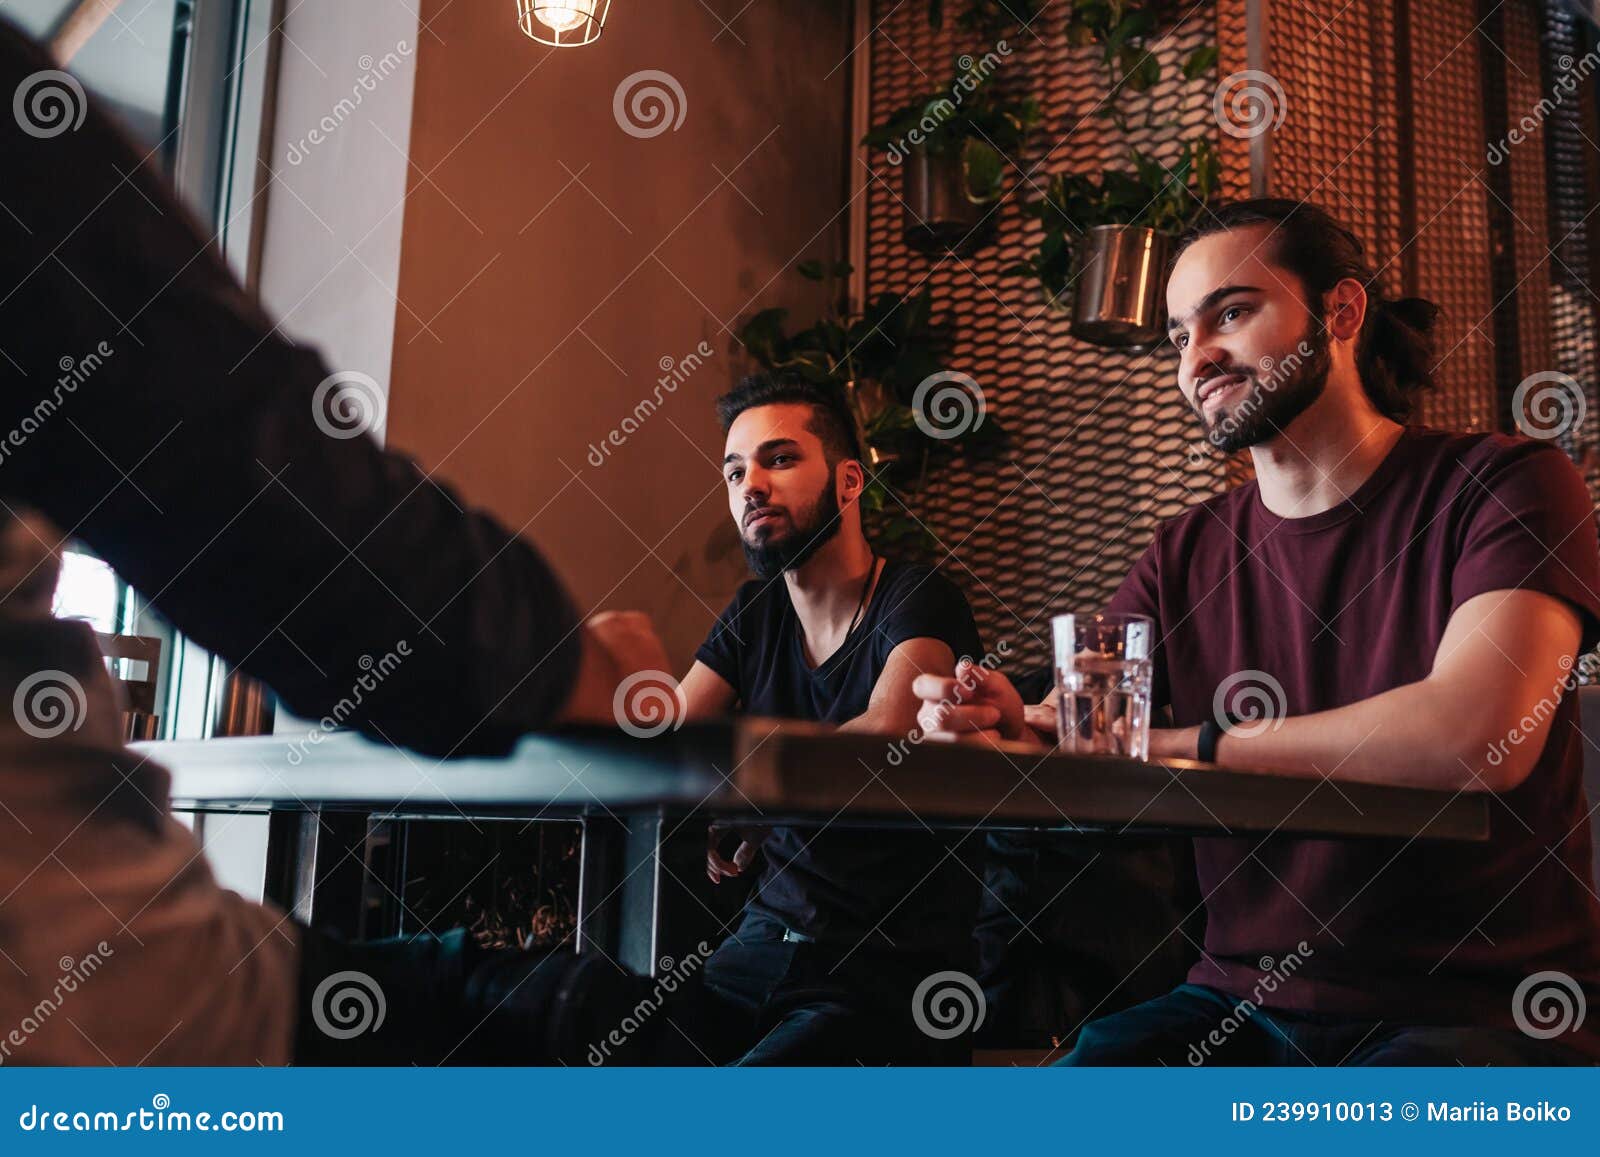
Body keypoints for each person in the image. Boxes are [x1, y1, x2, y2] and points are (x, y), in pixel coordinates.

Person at [0, 16, 667, 1064]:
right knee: (585, 1022)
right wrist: (561, 661)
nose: (750, 489)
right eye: (736, 465)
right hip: (84, 1000)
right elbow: (236, 471)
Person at [912, 198, 1600, 1065]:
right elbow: (1078, 725)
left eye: (1231, 313)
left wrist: (1190, 741)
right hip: (1236, 1006)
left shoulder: (1506, 484)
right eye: (1175, 336)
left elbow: (1480, 735)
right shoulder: (1183, 551)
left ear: (1341, 312)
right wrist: (1002, 720)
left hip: (1475, 1012)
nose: (1197, 357)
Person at [668, 371, 986, 1064]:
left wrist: (755, 800)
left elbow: (883, 736)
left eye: (778, 459)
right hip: (758, 948)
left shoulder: (917, 597)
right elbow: (669, 745)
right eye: (734, 471)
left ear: (849, 482)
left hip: (883, 965)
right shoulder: (753, 615)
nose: (750, 484)